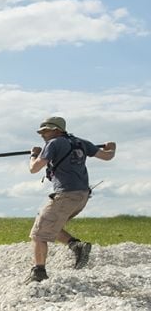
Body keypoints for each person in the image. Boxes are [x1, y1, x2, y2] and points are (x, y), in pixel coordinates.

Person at [27, 116, 116, 283]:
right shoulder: (81, 142)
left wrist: (34, 154)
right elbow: (107, 156)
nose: (42, 134)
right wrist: (112, 148)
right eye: (41, 131)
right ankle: (77, 246)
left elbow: (34, 168)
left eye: (46, 130)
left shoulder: (53, 143)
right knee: (50, 224)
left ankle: (38, 273)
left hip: (66, 195)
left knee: (39, 233)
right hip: (81, 195)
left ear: (57, 130)